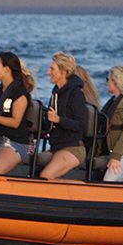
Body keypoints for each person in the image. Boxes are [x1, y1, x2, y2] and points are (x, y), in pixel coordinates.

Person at [38, 52, 96, 180]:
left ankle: (80, 191)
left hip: (73, 147)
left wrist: (58, 119)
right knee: (36, 165)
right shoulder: (55, 94)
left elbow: (80, 125)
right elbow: (50, 124)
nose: (48, 72)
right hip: (56, 146)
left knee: (46, 175)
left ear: (63, 72)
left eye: (52, 69)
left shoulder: (76, 94)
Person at [0, 52, 37, 176]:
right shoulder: (0, 91)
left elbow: (15, 122)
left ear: (6, 69)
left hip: (16, 143)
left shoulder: (19, 93)